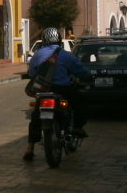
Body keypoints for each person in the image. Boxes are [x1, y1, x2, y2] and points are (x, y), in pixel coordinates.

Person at [23, 27, 92, 161]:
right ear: (59, 40)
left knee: (36, 117)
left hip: (43, 91)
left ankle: (30, 148)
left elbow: (32, 74)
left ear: (44, 40)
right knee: (81, 102)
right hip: (62, 89)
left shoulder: (37, 55)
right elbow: (81, 71)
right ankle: (78, 127)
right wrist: (87, 75)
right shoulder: (66, 55)